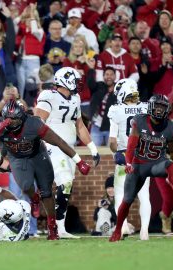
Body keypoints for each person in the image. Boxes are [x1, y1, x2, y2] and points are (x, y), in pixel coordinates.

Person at [0, 99, 91, 240]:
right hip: (17, 158)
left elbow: (59, 141)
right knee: (26, 186)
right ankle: (34, 198)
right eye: (8, 120)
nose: (12, 123)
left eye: (15, 120)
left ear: (22, 117)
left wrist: (79, 161)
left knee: (46, 191)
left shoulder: (33, 123)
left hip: (38, 156)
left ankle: (52, 228)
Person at [109, 95, 173, 242]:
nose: (160, 110)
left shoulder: (171, 127)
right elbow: (130, 147)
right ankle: (117, 230)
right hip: (138, 165)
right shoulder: (140, 121)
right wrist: (129, 163)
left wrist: (171, 174)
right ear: (150, 107)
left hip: (157, 164)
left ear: (167, 109)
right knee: (127, 199)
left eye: (163, 107)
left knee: (170, 164)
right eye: (157, 106)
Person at [34, 67, 100, 239]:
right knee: (65, 181)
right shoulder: (49, 96)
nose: (79, 85)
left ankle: (60, 227)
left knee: (67, 186)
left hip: (70, 149)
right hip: (53, 146)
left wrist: (92, 147)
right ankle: (56, 226)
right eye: (76, 81)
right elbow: (38, 122)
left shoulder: (76, 98)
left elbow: (79, 126)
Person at [107, 78, 151, 240]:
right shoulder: (145, 108)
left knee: (120, 193)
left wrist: (116, 153)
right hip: (143, 156)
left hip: (125, 156)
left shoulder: (115, 110)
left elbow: (112, 141)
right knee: (144, 195)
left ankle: (123, 226)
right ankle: (144, 232)